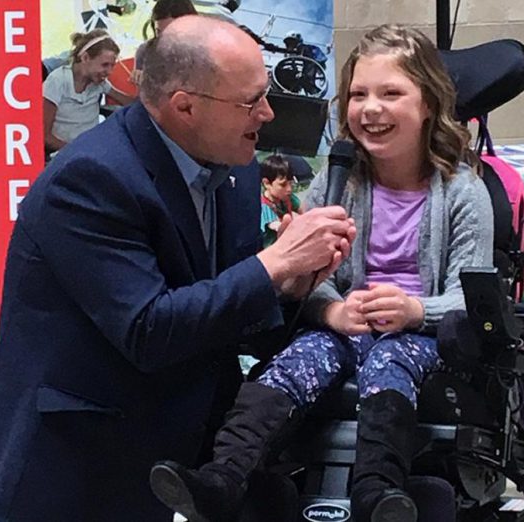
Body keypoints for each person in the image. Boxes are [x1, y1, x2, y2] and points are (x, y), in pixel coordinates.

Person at [0, 16, 356, 522]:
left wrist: (291, 287)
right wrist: (273, 264)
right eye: (250, 100)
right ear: (185, 106)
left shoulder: (235, 165)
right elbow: (149, 331)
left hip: (177, 464)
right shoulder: (90, 179)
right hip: (78, 473)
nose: (267, 112)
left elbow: (222, 317)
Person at [149, 24, 494, 522]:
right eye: (358, 95)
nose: (370, 109)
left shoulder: (463, 192)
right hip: (345, 323)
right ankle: (223, 478)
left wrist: (416, 309)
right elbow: (310, 274)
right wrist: (330, 308)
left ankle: (379, 492)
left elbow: (472, 296)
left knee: (388, 364)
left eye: (391, 94)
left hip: (420, 333)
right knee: (296, 361)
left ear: (428, 105)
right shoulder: (340, 182)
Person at [42, 29, 134, 153]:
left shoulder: (98, 82)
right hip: (64, 152)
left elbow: (129, 102)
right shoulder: (58, 81)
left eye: (112, 66)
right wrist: (76, 150)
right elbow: (44, 135)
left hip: (92, 147)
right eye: (105, 65)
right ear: (85, 58)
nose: (109, 72)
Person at [132, 0, 198, 85]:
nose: (164, 39)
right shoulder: (146, 51)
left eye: (171, 33)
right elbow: (141, 96)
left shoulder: (204, 54)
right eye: (158, 32)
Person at [260, 154, 303, 247]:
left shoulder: (288, 197)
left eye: (291, 184)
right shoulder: (264, 206)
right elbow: (279, 228)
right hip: (272, 249)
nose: (289, 189)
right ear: (267, 183)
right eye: (283, 185)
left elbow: (304, 211)